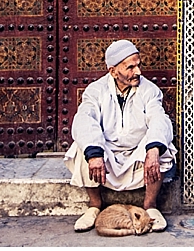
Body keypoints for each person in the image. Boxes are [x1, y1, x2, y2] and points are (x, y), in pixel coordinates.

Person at [65, 39, 177, 233]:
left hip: (136, 155)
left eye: (138, 65)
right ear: (113, 71)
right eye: (130, 67)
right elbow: (84, 119)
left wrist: (152, 150)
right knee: (81, 148)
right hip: (108, 157)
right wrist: (95, 153)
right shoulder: (96, 91)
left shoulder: (149, 90)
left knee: (164, 151)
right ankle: (94, 206)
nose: (138, 72)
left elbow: (159, 118)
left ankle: (150, 206)